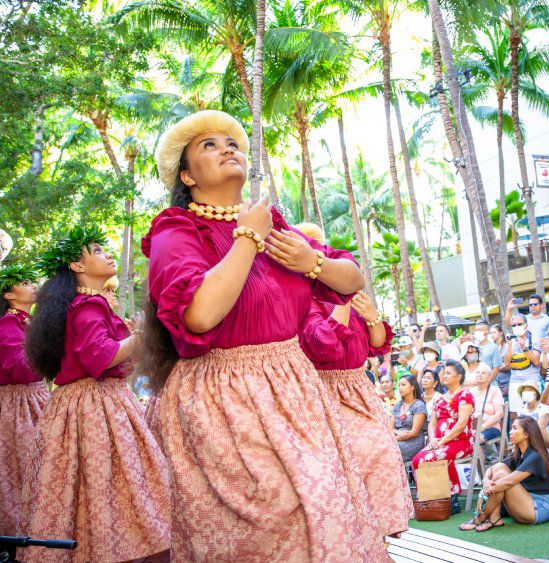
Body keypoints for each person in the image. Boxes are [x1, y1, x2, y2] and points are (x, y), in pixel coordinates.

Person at [140, 110, 386, 560]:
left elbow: (351, 279)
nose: (226, 148)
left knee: (325, 506)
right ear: (186, 176)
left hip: (293, 387)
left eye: (230, 142)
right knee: (273, 521)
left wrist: (312, 263)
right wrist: (247, 236)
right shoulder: (176, 228)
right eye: (208, 146)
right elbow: (199, 314)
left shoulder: (271, 219)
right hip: (226, 394)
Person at [22, 227, 170, 562]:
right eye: (97, 250)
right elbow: (99, 356)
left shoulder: (83, 305)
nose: (107, 253)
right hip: (93, 405)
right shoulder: (88, 305)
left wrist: (132, 339)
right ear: (77, 266)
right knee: (109, 483)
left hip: (91, 400)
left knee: (91, 487)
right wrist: (142, 335)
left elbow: (114, 361)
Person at [299, 284, 411, 539]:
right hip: (325, 388)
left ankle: (380, 536)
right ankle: (354, 536)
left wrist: (372, 315)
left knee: (383, 450)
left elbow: (378, 342)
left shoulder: (357, 299)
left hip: (359, 388)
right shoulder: (308, 300)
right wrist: (343, 301)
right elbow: (324, 343)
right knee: (346, 463)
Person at [0, 265, 49, 536]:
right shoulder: (6, 324)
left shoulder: (25, 322)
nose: (32, 284)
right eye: (25, 282)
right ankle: (17, 539)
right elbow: (19, 368)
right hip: (17, 409)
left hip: (32, 401)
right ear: (9, 296)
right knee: (19, 475)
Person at [458, 416, 549, 531]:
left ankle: (479, 518)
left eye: (515, 428)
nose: (510, 432)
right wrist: (485, 482)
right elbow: (492, 469)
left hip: (538, 507)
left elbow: (510, 481)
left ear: (526, 434)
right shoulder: (519, 453)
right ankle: (494, 518)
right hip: (524, 499)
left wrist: (483, 494)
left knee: (502, 476)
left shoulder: (535, 456)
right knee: (499, 468)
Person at [412, 361, 475, 515]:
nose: (444, 375)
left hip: (460, 441)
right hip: (439, 442)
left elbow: (461, 423)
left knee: (436, 457)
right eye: (444, 373)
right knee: (416, 461)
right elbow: (432, 423)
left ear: (459, 376)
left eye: (448, 373)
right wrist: (433, 439)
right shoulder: (440, 398)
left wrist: (442, 441)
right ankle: (430, 499)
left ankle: (450, 499)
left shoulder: (464, 395)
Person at [504, 314, 541, 415]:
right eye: (513, 325)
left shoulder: (534, 340)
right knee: (514, 415)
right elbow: (507, 363)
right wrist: (509, 345)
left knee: (534, 413)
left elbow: (537, 362)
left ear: (526, 326)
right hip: (515, 380)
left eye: (519, 324)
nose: (516, 327)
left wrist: (524, 347)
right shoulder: (510, 341)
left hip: (531, 379)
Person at [393, 375, 428, 463]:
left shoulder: (418, 405)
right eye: (399, 385)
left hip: (413, 441)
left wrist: (394, 439)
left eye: (403, 385)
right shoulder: (397, 406)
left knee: (388, 448)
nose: (400, 388)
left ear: (412, 387)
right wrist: (397, 433)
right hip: (397, 437)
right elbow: (391, 428)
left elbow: (414, 433)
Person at [470, 363, 505, 444]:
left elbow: (499, 413)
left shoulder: (495, 391)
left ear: (489, 377)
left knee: (475, 439)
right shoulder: (470, 391)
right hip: (472, 427)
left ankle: (477, 456)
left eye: (483, 373)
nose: (480, 375)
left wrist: (483, 426)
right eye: (478, 372)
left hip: (491, 427)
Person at [488, 324, 511, 394]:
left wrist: (495, 368)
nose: (492, 335)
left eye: (494, 332)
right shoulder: (490, 347)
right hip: (494, 382)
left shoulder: (507, 346)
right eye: (490, 333)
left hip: (506, 381)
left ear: (500, 333)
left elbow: (508, 365)